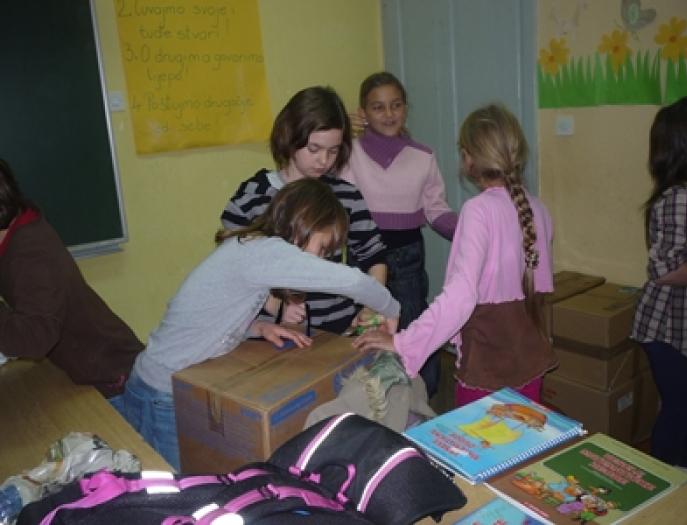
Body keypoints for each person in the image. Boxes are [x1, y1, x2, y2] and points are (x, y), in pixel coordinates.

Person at [121, 179, 400, 471]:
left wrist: (256, 328)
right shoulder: (265, 252)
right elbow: (354, 282)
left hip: (162, 382)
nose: (321, 258)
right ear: (302, 225)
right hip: (161, 392)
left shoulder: (252, 247)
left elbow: (208, 316)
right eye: (322, 248)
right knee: (171, 485)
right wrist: (391, 309)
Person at [352, 104, 557, 406]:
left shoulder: (478, 211)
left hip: (488, 364)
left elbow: (460, 297)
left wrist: (403, 342)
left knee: (477, 438)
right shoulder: (538, 209)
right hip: (529, 357)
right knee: (523, 434)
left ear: (467, 158)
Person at [221, 86, 387, 335]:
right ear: (290, 136)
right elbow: (232, 268)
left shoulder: (346, 196)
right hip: (270, 334)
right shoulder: (254, 197)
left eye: (333, 151)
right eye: (314, 149)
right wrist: (277, 306)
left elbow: (374, 257)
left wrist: (371, 305)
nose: (324, 161)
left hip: (335, 330)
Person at [340, 71, 458, 397]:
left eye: (396, 105)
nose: (389, 114)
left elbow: (436, 209)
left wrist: (470, 231)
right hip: (363, 257)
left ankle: (423, 397)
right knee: (364, 330)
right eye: (378, 107)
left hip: (408, 257)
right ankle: (369, 400)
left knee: (414, 327)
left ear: (406, 108)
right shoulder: (347, 153)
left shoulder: (423, 156)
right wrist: (340, 125)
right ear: (363, 112)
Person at [0, 158, 143, 398]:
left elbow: (33, 339)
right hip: (88, 370)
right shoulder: (17, 230)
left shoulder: (32, 254)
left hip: (115, 378)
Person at [630, 94, 687, 471]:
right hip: (667, 327)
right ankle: (665, 478)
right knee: (680, 407)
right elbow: (663, 269)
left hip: (686, 326)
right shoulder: (682, 197)